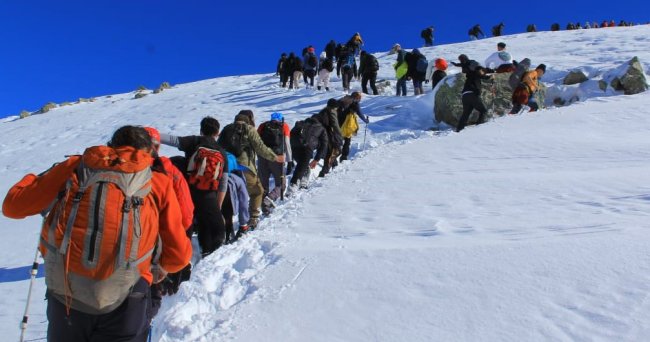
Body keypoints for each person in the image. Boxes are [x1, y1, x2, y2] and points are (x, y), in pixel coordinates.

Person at [3, 125, 192, 342]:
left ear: (111, 146)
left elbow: (12, 207)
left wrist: (31, 179)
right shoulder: (157, 181)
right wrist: (159, 268)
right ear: (148, 151)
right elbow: (178, 256)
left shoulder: (75, 167)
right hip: (127, 300)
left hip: (66, 299)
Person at [159, 117, 229, 257]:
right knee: (209, 224)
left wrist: (151, 134)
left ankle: (182, 255)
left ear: (201, 130)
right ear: (217, 133)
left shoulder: (195, 141)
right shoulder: (221, 152)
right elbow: (223, 182)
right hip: (209, 194)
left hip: (189, 189)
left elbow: (172, 140)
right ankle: (209, 252)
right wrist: (218, 205)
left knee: (188, 220)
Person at [218, 110, 285, 229]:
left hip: (225, 167)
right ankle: (252, 218)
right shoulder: (249, 129)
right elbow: (260, 148)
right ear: (249, 119)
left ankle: (224, 222)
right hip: (244, 167)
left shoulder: (226, 129)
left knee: (228, 193)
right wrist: (275, 157)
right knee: (257, 191)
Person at [257, 112, 292, 214]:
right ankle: (269, 200)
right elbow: (287, 144)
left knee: (264, 185)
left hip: (262, 157)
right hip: (277, 158)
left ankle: (265, 209)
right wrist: (289, 161)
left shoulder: (263, 126)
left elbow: (257, 142)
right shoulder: (284, 126)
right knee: (281, 184)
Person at [451, 54, 493, 132]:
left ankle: (459, 129)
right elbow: (483, 75)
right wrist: (490, 76)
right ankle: (479, 128)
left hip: (464, 95)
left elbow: (462, 64)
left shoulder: (468, 73)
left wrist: (456, 64)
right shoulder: (476, 71)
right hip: (472, 93)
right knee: (483, 111)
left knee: (466, 113)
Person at [289, 113, 329, 189]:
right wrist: (316, 159)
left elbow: (290, 134)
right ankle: (293, 186)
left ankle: (303, 181)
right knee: (301, 166)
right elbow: (324, 144)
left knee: (303, 165)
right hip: (307, 147)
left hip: (293, 146)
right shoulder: (321, 128)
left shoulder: (301, 123)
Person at [222, 152, 250, 241]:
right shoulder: (230, 157)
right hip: (227, 185)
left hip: (207, 184)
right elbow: (244, 201)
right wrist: (243, 222)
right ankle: (231, 232)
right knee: (227, 211)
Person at [315, 99, 344, 177]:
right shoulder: (331, 111)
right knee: (332, 152)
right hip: (328, 135)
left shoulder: (322, 111)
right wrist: (340, 135)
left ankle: (334, 166)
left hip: (321, 135)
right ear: (334, 107)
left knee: (331, 152)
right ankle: (323, 173)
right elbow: (335, 125)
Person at [337, 92, 369, 161]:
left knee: (337, 139)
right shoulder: (355, 103)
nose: (360, 100)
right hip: (347, 124)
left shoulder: (344, 98)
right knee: (347, 140)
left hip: (337, 121)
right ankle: (343, 157)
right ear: (357, 98)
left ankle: (333, 155)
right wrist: (366, 121)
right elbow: (360, 113)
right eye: (360, 98)